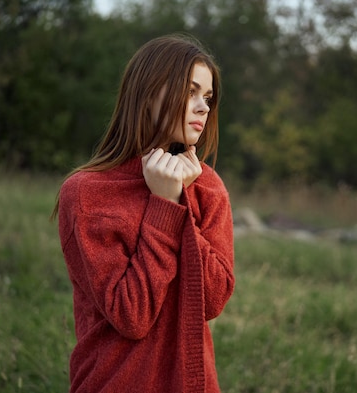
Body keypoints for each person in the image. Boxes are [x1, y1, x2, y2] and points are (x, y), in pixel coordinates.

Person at [53, 34, 235, 393]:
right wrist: (164, 207)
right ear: (148, 92)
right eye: (190, 92)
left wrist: (180, 199)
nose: (203, 107)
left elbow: (212, 300)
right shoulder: (87, 193)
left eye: (208, 98)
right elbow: (131, 315)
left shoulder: (208, 186)